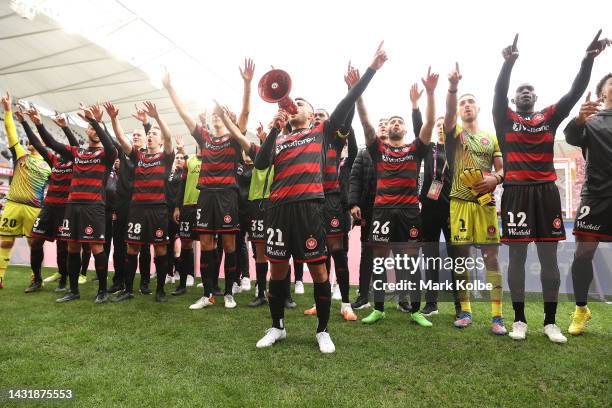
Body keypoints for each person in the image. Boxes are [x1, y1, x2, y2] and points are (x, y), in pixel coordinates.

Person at [253, 43, 387, 353]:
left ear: (312, 114)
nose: (294, 104)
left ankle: (323, 330)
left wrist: (371, 70)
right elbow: (260, 165)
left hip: (310, 208)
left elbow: (348, 100)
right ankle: (277, 327)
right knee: (278, 270)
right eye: (292, 103)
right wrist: (274, 130)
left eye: (301, 102)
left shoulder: (322, 132)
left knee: (319, 270)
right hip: (278, 210)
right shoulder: (281, 137)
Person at [493, 32, 609, 343]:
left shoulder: (548, 117)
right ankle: (519, 320)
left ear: (537, 97)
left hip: (546, 193)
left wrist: (587, 61)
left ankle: (549, 322)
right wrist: (507, 65)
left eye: (531, 89)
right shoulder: (504, 118)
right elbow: (498, 91)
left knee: (548, 259)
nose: (526, 92)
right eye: (521, 90)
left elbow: (574, 93)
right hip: (516, 194)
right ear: (515, 99)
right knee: (516, 259)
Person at [354, 66, 438, 327]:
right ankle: (378, 308)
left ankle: (414, 310)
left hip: (410, 212)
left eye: (400, 121)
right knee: (379, 260)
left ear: (405, 129)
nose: (396, 124)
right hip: (381, 211)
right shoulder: (377, 150)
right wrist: (358, 93)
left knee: (411, 262)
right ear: (387, 129)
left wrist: (431, 94)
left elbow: (430, 124)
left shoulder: (415, 149)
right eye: (392, 121)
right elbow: (366, 123)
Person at [163, 61, 249, 309]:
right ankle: (208, 294)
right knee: (208, 245)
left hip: (227, 197)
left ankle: (229, 293)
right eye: (212, 115)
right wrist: (170, 88)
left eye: (218, 115)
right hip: (206, 197)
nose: (214, 117)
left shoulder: (234, 138)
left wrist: (246, 83)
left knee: (230, 245)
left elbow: (244, 114)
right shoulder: (205, 138)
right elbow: (184, 114)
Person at [444, 63, 506, 335]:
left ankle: (497, 316)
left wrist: (496, 178)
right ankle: (466, 311)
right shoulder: (455, 134)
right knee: (462, 259)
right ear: (459, 110)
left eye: (471, 102)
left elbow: (502, 169)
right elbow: (446, 116)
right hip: (459, 202)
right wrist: (453, 88)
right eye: (463, 103)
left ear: (478, 109)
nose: (467, 105)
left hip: (485, 204)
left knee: (491, 258)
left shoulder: (490, 138)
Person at [43, 103, 117, 303]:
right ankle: (73, 290)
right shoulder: (77, 152)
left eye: (96, 128)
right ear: (86, 130)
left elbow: (111, 146)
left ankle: (102, 291)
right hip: (72, 206)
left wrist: (95, 120)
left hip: (94, 207)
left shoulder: (107, 154)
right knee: (72, 248)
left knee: (96, 248)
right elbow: (52, 144)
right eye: (91, 128)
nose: (93, 131)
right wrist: (36, 124)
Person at [302, 68, 358, 321]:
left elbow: (346, 118)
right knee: (318, 254)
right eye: (315, 117)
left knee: (337, 252)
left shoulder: (335, 140)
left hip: (333, 201)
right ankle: (319, 301)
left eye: (322, 116)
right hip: (311, 201)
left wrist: (351, 91)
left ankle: (346, 304)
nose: (318, 120)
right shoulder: (305, 141)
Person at [105, 101, 174, 303]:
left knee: (160, 249)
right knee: (132, 248)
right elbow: (120, 138)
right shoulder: (138, 156)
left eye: (154, 134)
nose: (151, 136)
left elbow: (169, 136)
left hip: (158, 210)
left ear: (160, 141)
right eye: (149, 134)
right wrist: (113, 118)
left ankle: (160, 289)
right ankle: (128, 289)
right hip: (136, 209)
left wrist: (157, 118)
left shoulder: (166, 157)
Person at [564, 72, 612, 335]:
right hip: (594, 197)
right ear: (602, 92)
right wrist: (579, 119)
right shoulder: (591, 122)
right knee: (583, 255)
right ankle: (581, 309)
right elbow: (571, 136)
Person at [15, 107, 75, 293]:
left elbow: (73, 142)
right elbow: (37, 143)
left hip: (65, 209)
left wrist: (65, 128)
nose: (59, 148)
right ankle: (37, 279)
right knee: (36, 242)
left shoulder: (78, 160)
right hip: (48, 207)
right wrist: (25, 122)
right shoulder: (54, 160)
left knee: (63, 246)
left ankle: (63, 279)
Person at [0, 93, 51, 290]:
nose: (30, 139)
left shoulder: (49, 164)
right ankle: (1, 277)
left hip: (34, 209)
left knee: (34, 244)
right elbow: (11, 132)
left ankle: (35, 277)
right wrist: (7, 110)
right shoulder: (20, 154)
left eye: (35, 136)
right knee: (5, 242)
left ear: (43, 142)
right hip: (13, 204)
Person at [349, 118, 388, 310]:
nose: (383, 126)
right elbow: (354, 179)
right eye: (380, 123)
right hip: (369, 209)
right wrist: (354, 203)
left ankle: (403, 299)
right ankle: (363, 295)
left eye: (386, 123)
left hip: (392, 210)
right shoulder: (363, 153)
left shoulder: (399, 153)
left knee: (397, 252)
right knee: (368, 253)